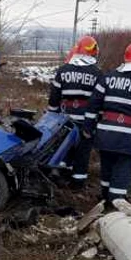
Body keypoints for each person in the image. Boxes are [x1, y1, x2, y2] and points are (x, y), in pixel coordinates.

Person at [83, 41, 131, 206]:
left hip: (105, 132)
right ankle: (115, 204)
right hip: (130, 135)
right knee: (122, 169)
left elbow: (93, 104)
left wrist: (88, 127)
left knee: (107, 166)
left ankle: (104, 198)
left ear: (125, 57)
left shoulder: (108, 77)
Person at [48, 35, 102, 189]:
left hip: (65, 118)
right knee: (83, 152)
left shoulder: (63, 70)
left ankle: (59, 174)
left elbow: (54, 98)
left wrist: (53, 115)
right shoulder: (97, 73)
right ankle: (78, 183)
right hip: (87, 118)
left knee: (63, 147)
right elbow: (100, 99)